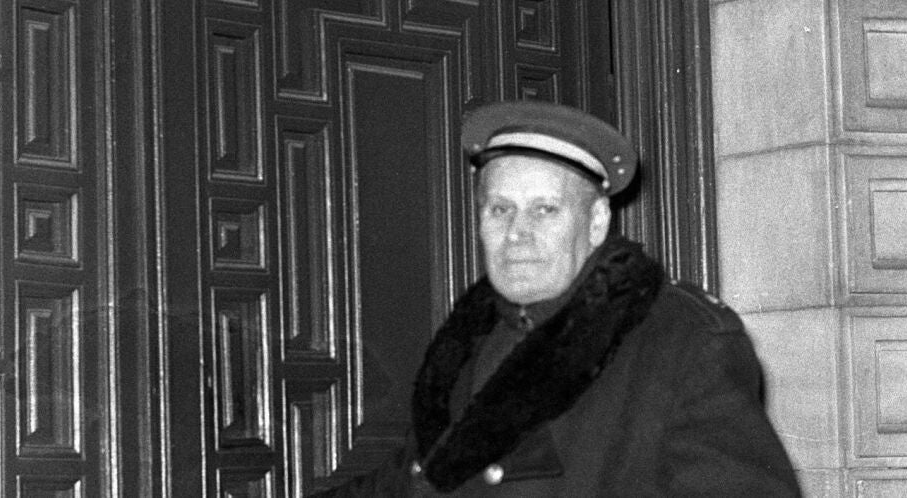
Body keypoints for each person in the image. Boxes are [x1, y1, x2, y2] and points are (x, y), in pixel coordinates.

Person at [316, 101, 800, 496]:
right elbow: (412, 481)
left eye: (545, 210)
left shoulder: (681, 342)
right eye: (500, 209)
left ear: (596, 223)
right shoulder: (466, 344)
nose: (517, 233)